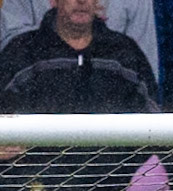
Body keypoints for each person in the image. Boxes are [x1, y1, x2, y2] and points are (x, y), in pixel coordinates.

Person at [0, 0, 157, 113]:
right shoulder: (21, 52)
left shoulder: (125, 52)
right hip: (40, 159)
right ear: (53, 1)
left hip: (111, 159)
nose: (81, 1)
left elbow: (154, 123)